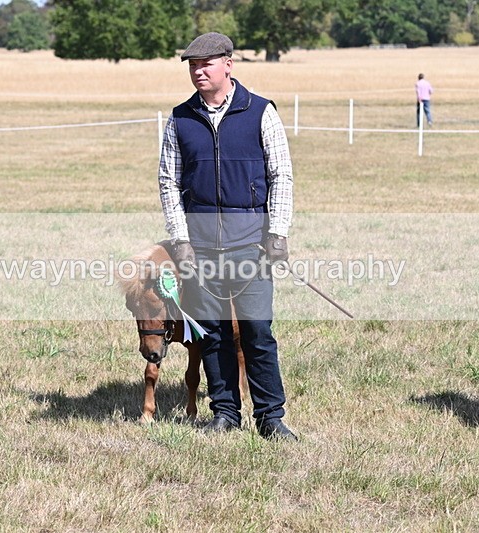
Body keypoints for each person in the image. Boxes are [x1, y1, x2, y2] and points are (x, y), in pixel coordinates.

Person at [158, 32, 297, 441]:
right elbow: (168, 182)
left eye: (206, 64)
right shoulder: (180, 118)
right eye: (192, 65)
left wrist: (278, 232)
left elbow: (281, 176)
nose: (198, 71)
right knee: (213, 332)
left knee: (256, 330)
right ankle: (224, 413)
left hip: (250, 245)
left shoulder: (260, 112)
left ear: (228, 64)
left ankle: (271, 417)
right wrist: (181, 241)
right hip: (200, 249)